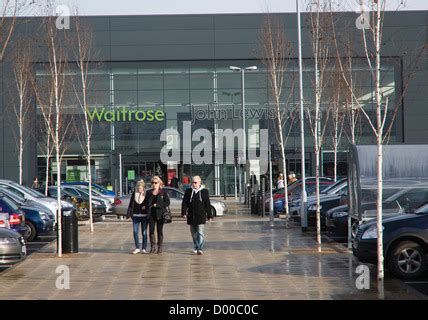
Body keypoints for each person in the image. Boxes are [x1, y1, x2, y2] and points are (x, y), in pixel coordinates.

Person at [181, 176, 213, 255]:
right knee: (193, 233)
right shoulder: (188, 191)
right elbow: (185, 202)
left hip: (201, 215)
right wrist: (184, 212)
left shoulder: (204, 191)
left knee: (200, 232)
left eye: (195, 182)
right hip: (191, 215)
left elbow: (207, 204)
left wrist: (209, 215)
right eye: (193, 182)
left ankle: (199, 248)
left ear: (199, 183)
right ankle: (196, 246)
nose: (194, 184)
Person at [143, 176, 170, 254]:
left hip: (160, 214)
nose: (154, 184)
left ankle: (160, 247)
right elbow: (145, 202)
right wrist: (145, 206)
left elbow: (167, 203)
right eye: (152, 183)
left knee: (159, 231)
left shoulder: (163, 192)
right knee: (151, 231)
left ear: (159, 183)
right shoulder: (148, 193)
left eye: (156, 183)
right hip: (151, 214)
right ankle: (152, 247)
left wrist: (157, 205)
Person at [126, 180, 148, 254]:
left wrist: (146, 207)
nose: (139, 190)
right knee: (135, 232)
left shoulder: (146, 194)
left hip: (144, 216)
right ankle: (137, 248)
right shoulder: (134, 194)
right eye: (138, 188)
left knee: (144, 232)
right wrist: (129, 213)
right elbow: (131, 204)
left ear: (143, 188)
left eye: (141, 188)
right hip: (135, 216)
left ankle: (144, 248)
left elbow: (148, 203)